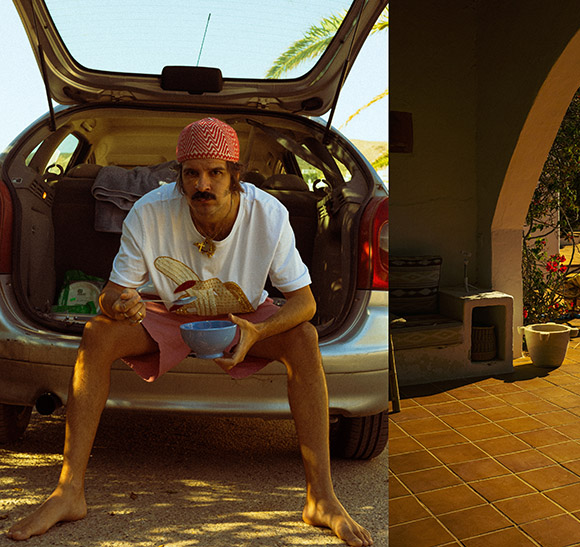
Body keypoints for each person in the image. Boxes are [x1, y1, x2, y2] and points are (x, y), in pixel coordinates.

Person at [6, 117, 373, 547]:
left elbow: (305, 303)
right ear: (178, 178)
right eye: (191, 173)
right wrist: (122, 303)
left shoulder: (268, 213)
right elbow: (111, 296)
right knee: (97, 334)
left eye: (216, 172)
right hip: (169, 314)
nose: (203, 184)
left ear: (235, 176)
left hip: (245, 317)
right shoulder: (148, 212)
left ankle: (322, 499)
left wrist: (258, 333)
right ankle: (68, 492)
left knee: (304, 338)